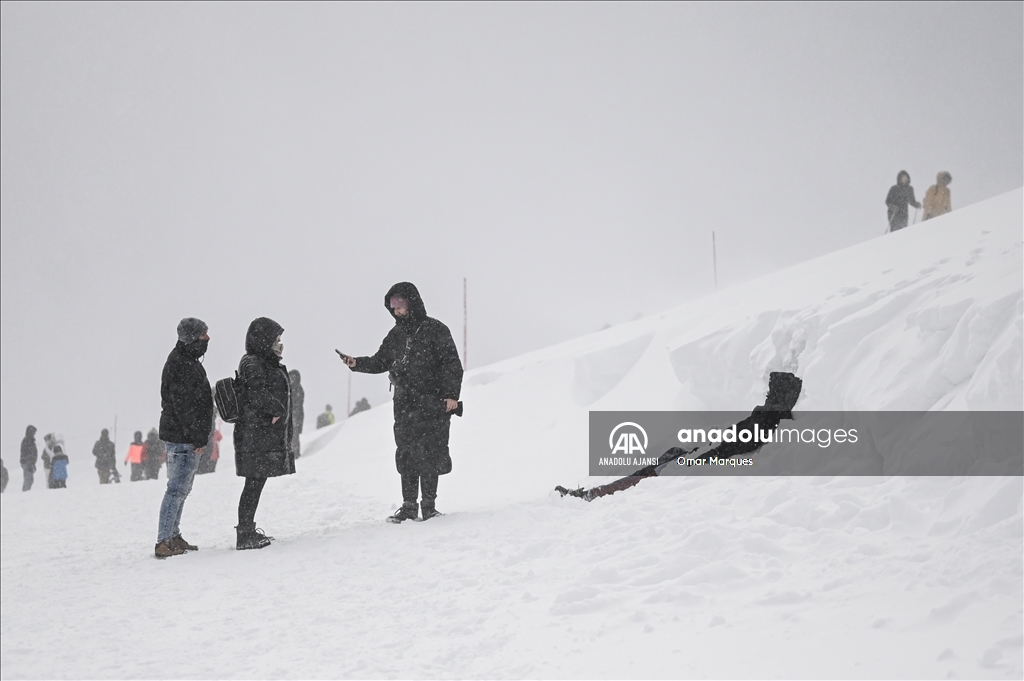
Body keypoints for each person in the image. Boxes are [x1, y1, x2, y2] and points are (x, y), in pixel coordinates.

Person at [338, 282, 463, 523]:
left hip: (432, 402)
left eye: (400, 304)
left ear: (412, 302)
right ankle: (408, 507)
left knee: (430, 453)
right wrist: (357, 364)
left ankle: (429, 506)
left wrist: (451, 395)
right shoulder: (396, 335)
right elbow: (379, 361)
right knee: (406, 454)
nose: (396, 310)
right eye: (392, 305)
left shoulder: (436, 330)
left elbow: (451, 364)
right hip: (405, 405)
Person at [233, 317, 295, 550]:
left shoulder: (263, 361)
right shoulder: (253, 362)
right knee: (254, 483)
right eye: (275, 339)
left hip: (259, 435)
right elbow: (256, 394)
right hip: (254, 436)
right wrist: (276, 408)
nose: (280, 345)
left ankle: (247, 529)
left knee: (256, 482)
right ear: (263, 341)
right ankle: (245, 533)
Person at [155, 317, 214, 559]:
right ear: (191, 338)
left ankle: (173, 535)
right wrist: (197, 437)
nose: (208, 339)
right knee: (177, 489)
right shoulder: (181, 364)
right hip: (182, 438)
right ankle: (163, 540)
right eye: (203, 335)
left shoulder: (187, 360)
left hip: (184, 436)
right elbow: (185, 407)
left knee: (183, 488)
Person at [289, 370, 305, 458]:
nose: (292, 379)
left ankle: (295, 454)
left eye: (293, 377)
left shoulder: (298, 389)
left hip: (296, 416)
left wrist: (294, 416)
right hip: (291, 416)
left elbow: (298, 405)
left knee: (294, 435)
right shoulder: (289, 388)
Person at [20, 425, 38, 491]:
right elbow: (26, 453)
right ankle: (25, 492)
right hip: (27, 462)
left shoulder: (31, 441)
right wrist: (30, 462)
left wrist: (32, 462)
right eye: (34, 432)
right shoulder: (27, 441)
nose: (34, 434)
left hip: (29, 462)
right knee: (28, 479)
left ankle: (26, 492)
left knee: (30, 479)